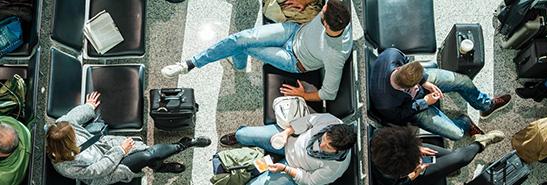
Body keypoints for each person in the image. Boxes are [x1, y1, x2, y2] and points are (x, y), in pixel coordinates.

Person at [161, 0, 352, 101]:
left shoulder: (335, 55)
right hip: (294, 30)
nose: (322, 7)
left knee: (243, 45)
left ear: (325, 23)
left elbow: (329, 94)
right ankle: (190, 64)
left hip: (294, 60)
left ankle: (237, 63)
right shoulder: (338, 15)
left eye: (322, 12)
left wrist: (303, 94)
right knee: (241, 39)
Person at [46, 92, 211, 185]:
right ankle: (184, 144)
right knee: (147, 154)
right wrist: (120, 150)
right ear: (68, 143)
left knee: (144, 152)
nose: (75, 131)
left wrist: (88, 107)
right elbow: (98, 170)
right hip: (107, 171)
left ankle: (159, 166)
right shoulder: (66, 167)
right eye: (73, 136)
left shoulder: (63, 125)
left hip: (106, 148)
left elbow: (72, 117)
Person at [367, 48, 512, 140]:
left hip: (418, 86)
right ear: (411, 87)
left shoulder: (392, 54)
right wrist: (425, 102)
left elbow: (407, 61)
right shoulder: (386, 103)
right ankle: (465, 123)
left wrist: (424, 81)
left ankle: (486, 105)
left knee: (463, 81)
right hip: (412, 107)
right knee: (457, 134)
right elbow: (400, 115)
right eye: (417, 84)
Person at [218, 113, 356, 185]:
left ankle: (273, 161)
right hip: (288, 141)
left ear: (338, 151)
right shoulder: (331, 122)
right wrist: (286, 133)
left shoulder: (334, 168)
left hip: (293, 167)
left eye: (328, 146)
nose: (321, 145)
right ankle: (242, 140)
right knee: (243, 134)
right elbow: (308, 121)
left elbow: (309, 181)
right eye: (324, 138)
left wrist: (285, 169)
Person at [369, 125, 505, 185]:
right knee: (458, 158)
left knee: (451, 157)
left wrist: (416, 148)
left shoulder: (377, 135)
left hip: (404, 156)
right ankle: (480, 143)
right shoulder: (388, 179)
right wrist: (415, 173)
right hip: (411, 178)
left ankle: (450, 169)